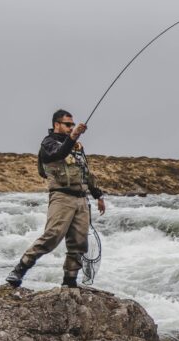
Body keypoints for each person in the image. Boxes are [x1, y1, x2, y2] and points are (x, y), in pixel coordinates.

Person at [6, 109, 106, 288]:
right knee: (51, 237)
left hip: (81, 200)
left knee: (79, 243)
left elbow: (85, 172)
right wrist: (73, 136)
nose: (71, 127)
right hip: (61, 197)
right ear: (56, 125)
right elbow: (58, 153)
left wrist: (98, 195)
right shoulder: (48, 143)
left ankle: (70, 281)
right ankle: (19, 270)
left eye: (72, 125)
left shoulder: (77, 146)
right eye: (68, 124)